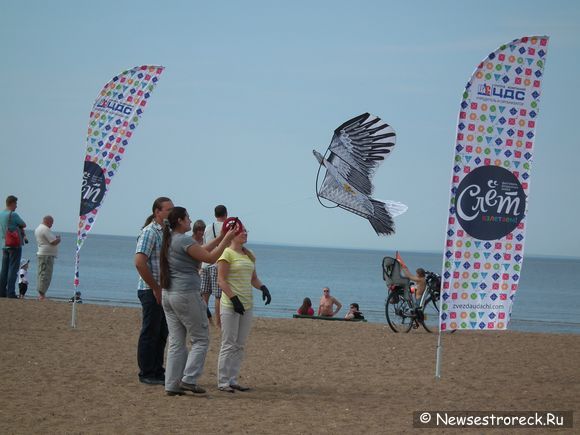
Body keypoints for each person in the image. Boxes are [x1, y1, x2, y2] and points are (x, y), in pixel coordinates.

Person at [159, 207, 236, 396]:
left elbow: (201, 251)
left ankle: (171, 384)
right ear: (179, 221)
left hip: (169, 294)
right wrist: (227, 239)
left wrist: (221, 236)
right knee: (201, 338)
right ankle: (189, 379)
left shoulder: (171, 240)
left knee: (177, 341)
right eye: (187, 218)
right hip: (186, 294)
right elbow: (210, 257)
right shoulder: (183, 239)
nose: (191, 221)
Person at [217, 218, 271, 393]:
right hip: (230, 305)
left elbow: (253, 279)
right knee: (228, 343)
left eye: (246, 230)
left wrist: (263, 288)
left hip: (247, 305)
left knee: (240, 344)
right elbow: (221, 281)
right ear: (232, 234)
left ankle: (233, 379)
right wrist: (234, 299)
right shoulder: (226, 254)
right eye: (242, 231)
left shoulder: (249, 254)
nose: (245, 233)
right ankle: (223, 381)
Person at [134, 197, 173, 386]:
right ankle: (146, 371)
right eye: (168, 209)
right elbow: (139, 262)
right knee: (150, 331)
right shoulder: (150, 232)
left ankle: (158, 370)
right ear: (158, 212)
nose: (171, 213)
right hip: (150, 290)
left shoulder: (167, 232)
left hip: (163, 289)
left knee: (162, 332)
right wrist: (155, 288)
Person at [201, 205, 228, 326]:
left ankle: (203, 320)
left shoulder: (208, 227)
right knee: (218, 296)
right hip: (217, 263)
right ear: (226, 214)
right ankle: (218, 322)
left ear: (215, 214)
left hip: (205, 263)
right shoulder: (227, 227)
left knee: (204, 294)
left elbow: (205, 244)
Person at [0, 195, 27, 298]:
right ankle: (11, 292)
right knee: (13, 269)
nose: (16, 206)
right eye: (15, 203)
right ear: (11, 203)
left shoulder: (1, 214)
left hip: (4, 243)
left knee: (4, 269)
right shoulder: (13, 214)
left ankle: (2, 291)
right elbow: (23, 224)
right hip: (14, 244)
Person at [34, 215, 61, 300]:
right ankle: (42, 295)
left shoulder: (39, 228)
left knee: (42, 273)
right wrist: (58, 239)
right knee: (45, 274)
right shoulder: (45, 229)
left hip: (44, 254)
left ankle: (42, 294)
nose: (52, 225)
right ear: (48, 221)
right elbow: (53, 242)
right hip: (46, 255)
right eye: (51, 223)